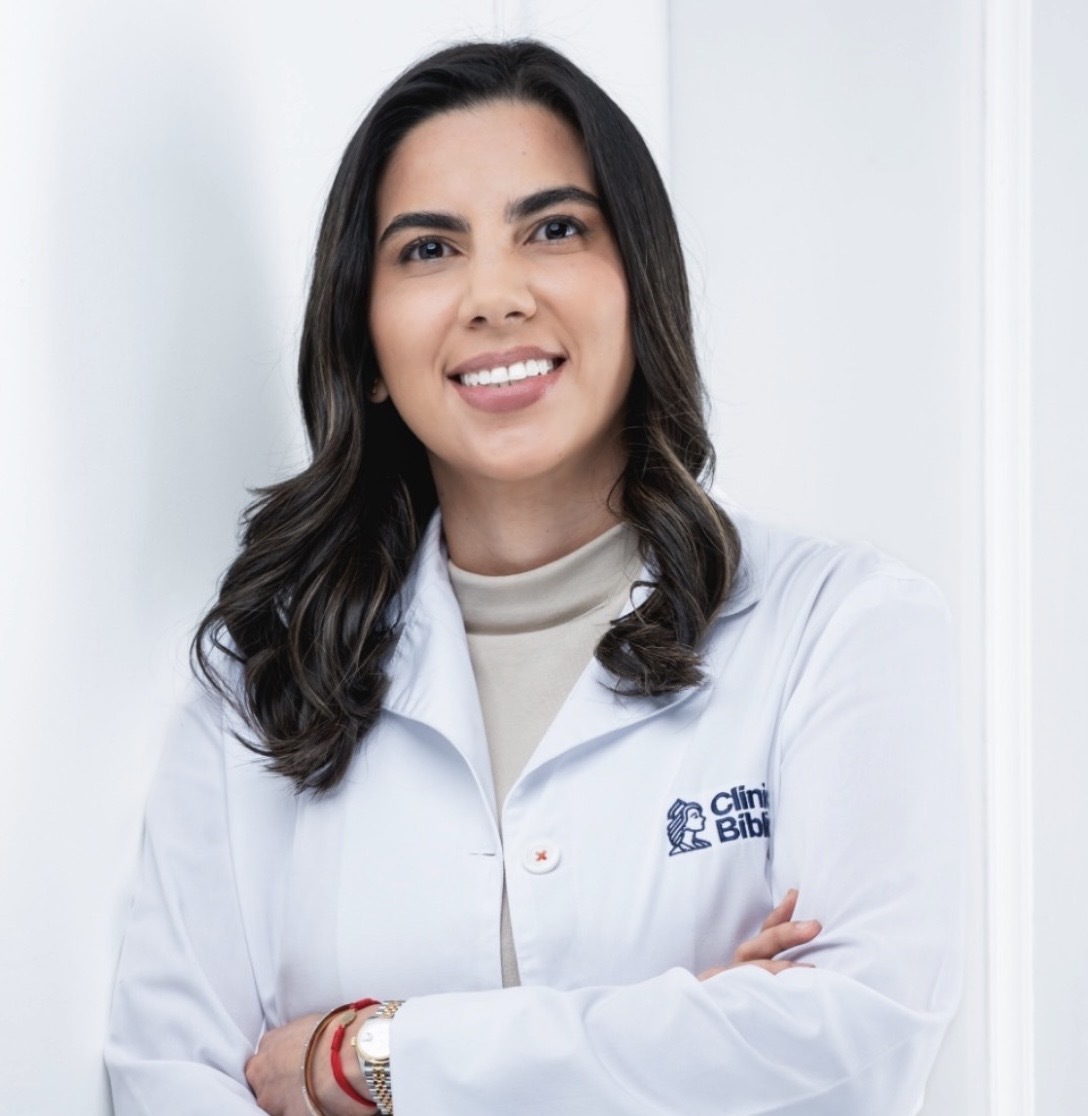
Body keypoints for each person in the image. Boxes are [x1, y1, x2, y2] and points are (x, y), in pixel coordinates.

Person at [105, 39, 963, 1116]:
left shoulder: (838, 629)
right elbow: (169, 1082)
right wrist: (687, 1031)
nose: (494, 296)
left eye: (553, 229)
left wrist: (371, 1057)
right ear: (366, 345)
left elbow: (855, 1043)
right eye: (428, 249)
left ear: (638, 286)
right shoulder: (259, 683)